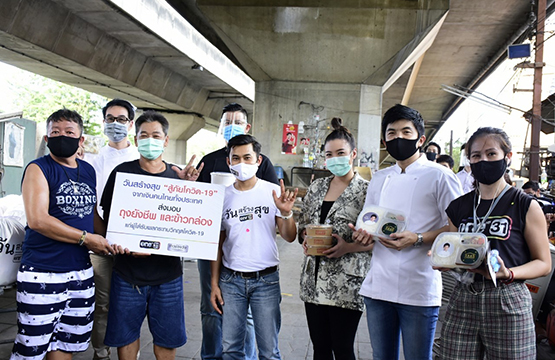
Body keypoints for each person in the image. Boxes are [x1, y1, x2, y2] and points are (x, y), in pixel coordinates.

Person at [350, 104, 463, 360]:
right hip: (379, 284)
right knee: (382, 356)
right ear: (384, 140)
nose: (398, 138)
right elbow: (370, 221)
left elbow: (458, 228)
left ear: (420, 139)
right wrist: (362, 234)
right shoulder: (379, 178)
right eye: (391, 133)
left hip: (419, 285)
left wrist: (419, 238)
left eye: (406, 132)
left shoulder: (440, 176)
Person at [437, 127, 552, 359]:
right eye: (476, 156)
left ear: (507, 157)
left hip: (508, 299)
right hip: (464, 296)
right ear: (469, 161)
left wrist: (507, 273)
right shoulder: (458, 207)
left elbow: (543, 263)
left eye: (491, 154)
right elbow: (453, 250)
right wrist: (445, 260)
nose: (483, 160)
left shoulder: (526, 205)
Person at [95, 111, 201, 360]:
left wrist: (189, 189)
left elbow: (190, 223)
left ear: (166, 141)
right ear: (136, 139)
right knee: (126, 337)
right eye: (144, 135)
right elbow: (111, 222)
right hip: (127, 274)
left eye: (156, 135)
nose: (150, 140)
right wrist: (119, 244)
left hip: (168, 276)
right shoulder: (122, 174)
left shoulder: (178, 178)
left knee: (167, 340)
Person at [11, 109, 114, 360]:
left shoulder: (88, 171)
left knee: (66, 345)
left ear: (81, 140)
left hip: (80, 273)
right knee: (31, 348)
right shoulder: (38, 169)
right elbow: (38, 220)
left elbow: (92, 216)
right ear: (46, 140)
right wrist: (86, 239)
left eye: (69, 132)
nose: (61, 137)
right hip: (43, 271)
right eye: (55, 132)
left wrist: (118, 239)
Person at [196, 103, 278, 360]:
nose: (232, 125)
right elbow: (195, 204)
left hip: (252, 260)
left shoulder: (262, 166)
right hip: (213, 246)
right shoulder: (208, 160)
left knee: (250, 319)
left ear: (247, 126)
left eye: (238, 121)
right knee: (211, 307)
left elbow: (277, 211)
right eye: (227, 121)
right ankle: (211, 356)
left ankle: (249, 357)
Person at [210, 134, 297, 360]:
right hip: (231, 281)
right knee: (230, 349)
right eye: (236, 158)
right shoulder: (222, 196)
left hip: (266, 281)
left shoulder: (273, 192)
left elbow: (289, 236)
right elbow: (217, 244)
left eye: (247, 158)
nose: (242, 163)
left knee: (269, 351)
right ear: (228, 162)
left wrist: (286, 213)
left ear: (258, 160)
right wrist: (214, 283)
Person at [297, 118, 372, 359]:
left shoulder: (367, 191)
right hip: (313, 280)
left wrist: (347, 247)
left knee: (342, 348)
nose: (335, 159)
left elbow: (378, 239)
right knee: (320, 348)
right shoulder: (317, 187)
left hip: (346, 283)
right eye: (329, 154)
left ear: (353, 155)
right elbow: (303, 226)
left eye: (341, 153)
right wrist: (306, 238)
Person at [88, 98, 139, 360]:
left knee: (131, 303)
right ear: (103, 121)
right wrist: (101, 237)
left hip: (134, 244)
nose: (115, 124)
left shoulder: (142, 158)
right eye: (110, 118)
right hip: (101, 240)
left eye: (121, 119)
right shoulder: (91, 160)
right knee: (103, 302)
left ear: (130, 124)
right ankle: (101, 350)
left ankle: (130, 352)